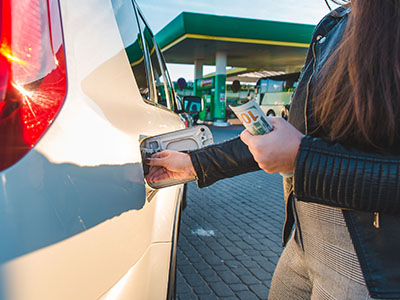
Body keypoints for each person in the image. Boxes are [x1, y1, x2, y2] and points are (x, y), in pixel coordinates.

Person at [146, 1, 400, 299]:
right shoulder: (335, 24)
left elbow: (298, 149)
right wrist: (195, 163)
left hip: (365, 267)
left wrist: (303, 159)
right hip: (303, 242)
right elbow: (285, 139)